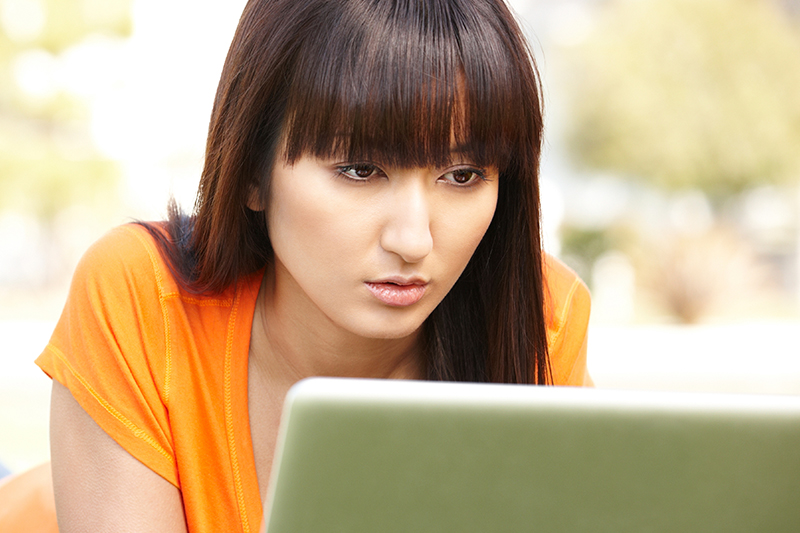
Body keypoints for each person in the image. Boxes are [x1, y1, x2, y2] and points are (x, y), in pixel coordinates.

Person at [35, 0, 592, 531]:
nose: (414, 240)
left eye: (463, 175)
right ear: (253, 171)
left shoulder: (536, 321)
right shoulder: (143, 299)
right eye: (359, 170)